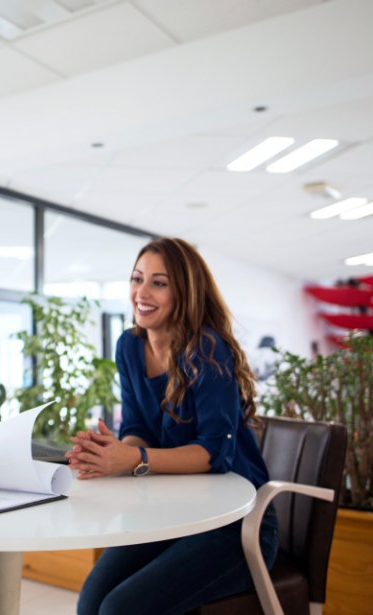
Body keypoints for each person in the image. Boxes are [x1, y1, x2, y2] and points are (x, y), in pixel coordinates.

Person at [66, 237, 278, 615]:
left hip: (236, 524)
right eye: (137, 278)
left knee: (120, 609)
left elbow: (215, 453)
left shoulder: (207, 349)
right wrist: (113, 454)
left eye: (158, 283)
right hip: (174, 513)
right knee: (91, 601)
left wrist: (131, 458)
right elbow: (138, 427)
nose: (141, 292)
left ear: (185, 293)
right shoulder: (129, 346)